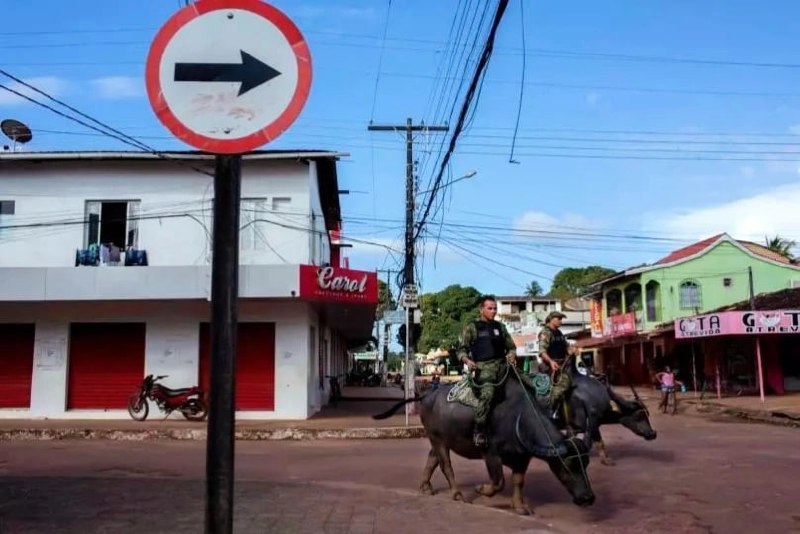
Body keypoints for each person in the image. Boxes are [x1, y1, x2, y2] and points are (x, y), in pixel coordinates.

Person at [458, 295, 517, 449]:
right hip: (483, 368)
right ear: (481, 309)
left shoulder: (500, 327)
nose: (493, 311)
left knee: (528, 385)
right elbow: (461, 350)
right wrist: (468, 361)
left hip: (503, 366)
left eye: (495, 308)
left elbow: (511, 346)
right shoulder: (472, 327)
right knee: (488, 393)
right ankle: (479, 430)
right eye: (490, 308)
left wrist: (511, 354)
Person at [538, 311, 572, 418]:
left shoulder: (559, 333)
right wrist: (551, 361)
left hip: (563, 365)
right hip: (550, 367)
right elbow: (542, 352)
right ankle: (547, 412)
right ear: (551, 319)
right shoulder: (545, 332)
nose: (561, 321)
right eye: (559, 319)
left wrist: (571, 350)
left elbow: (566, 347)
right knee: (561, 387)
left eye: (561, 319)